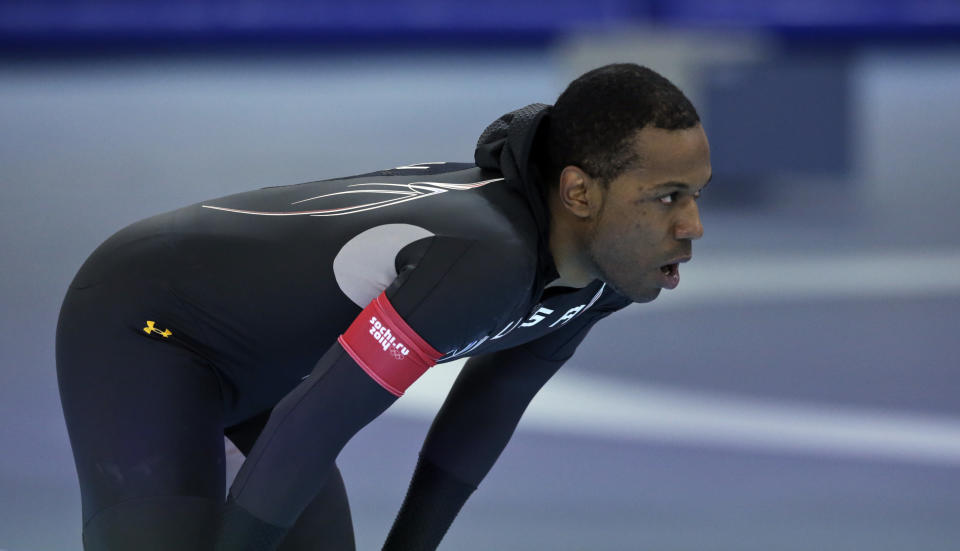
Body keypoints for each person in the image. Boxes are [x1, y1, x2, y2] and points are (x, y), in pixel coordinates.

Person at [55, 63, 711, 550]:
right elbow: (318, 419)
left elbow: (488, 405)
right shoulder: (488, 259)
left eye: (697, 195)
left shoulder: (603, 279)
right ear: (578, 192)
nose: (692, 225)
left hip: (263, 375)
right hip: (146, 326)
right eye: (667, 196)